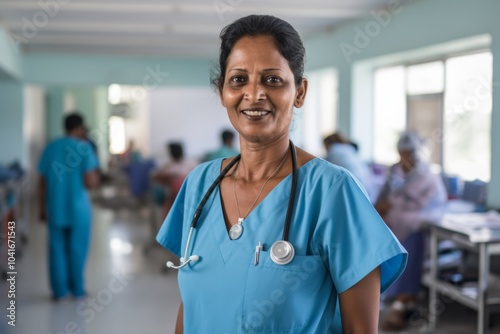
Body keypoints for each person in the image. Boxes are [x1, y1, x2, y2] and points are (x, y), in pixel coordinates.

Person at [156, 15, 407, 333]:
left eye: (272, 80)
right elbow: (190, 309)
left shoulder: (331, 191)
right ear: (222, 91)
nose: (254, 94)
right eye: (238, 80)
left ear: (300, 92)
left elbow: (361, 329)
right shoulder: (199, 184)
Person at [375, 130, 447, 331]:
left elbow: (422, 207)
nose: (404, 157)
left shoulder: (426, 176)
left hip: (417, 226)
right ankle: (383, 294)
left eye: (408, 153)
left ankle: (401, 304)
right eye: (402, 152)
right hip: (394, 225)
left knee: (409, 247)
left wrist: (390, 206)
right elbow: (383, 199)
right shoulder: (394, 172)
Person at [38, 112, 99, 300]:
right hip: (78, 209)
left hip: (55, 207)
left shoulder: (50, 147)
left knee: (56, 248)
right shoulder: (84, 148)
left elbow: (42, 181)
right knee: (77, 248)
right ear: (81, 128)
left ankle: (59, 291)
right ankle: (77, 289)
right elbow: (90, 182)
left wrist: (41, 207)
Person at [323, 131, 375, 202]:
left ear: (328, 143)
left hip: (355, 187)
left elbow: (323, 167)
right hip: (366, 187)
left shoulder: (334, 150)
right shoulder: (349, 149)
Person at [153, 142, 197, 216]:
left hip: (184, 194)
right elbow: (157, 177)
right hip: (178, 195)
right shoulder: (169, 166)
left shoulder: (189, 164)